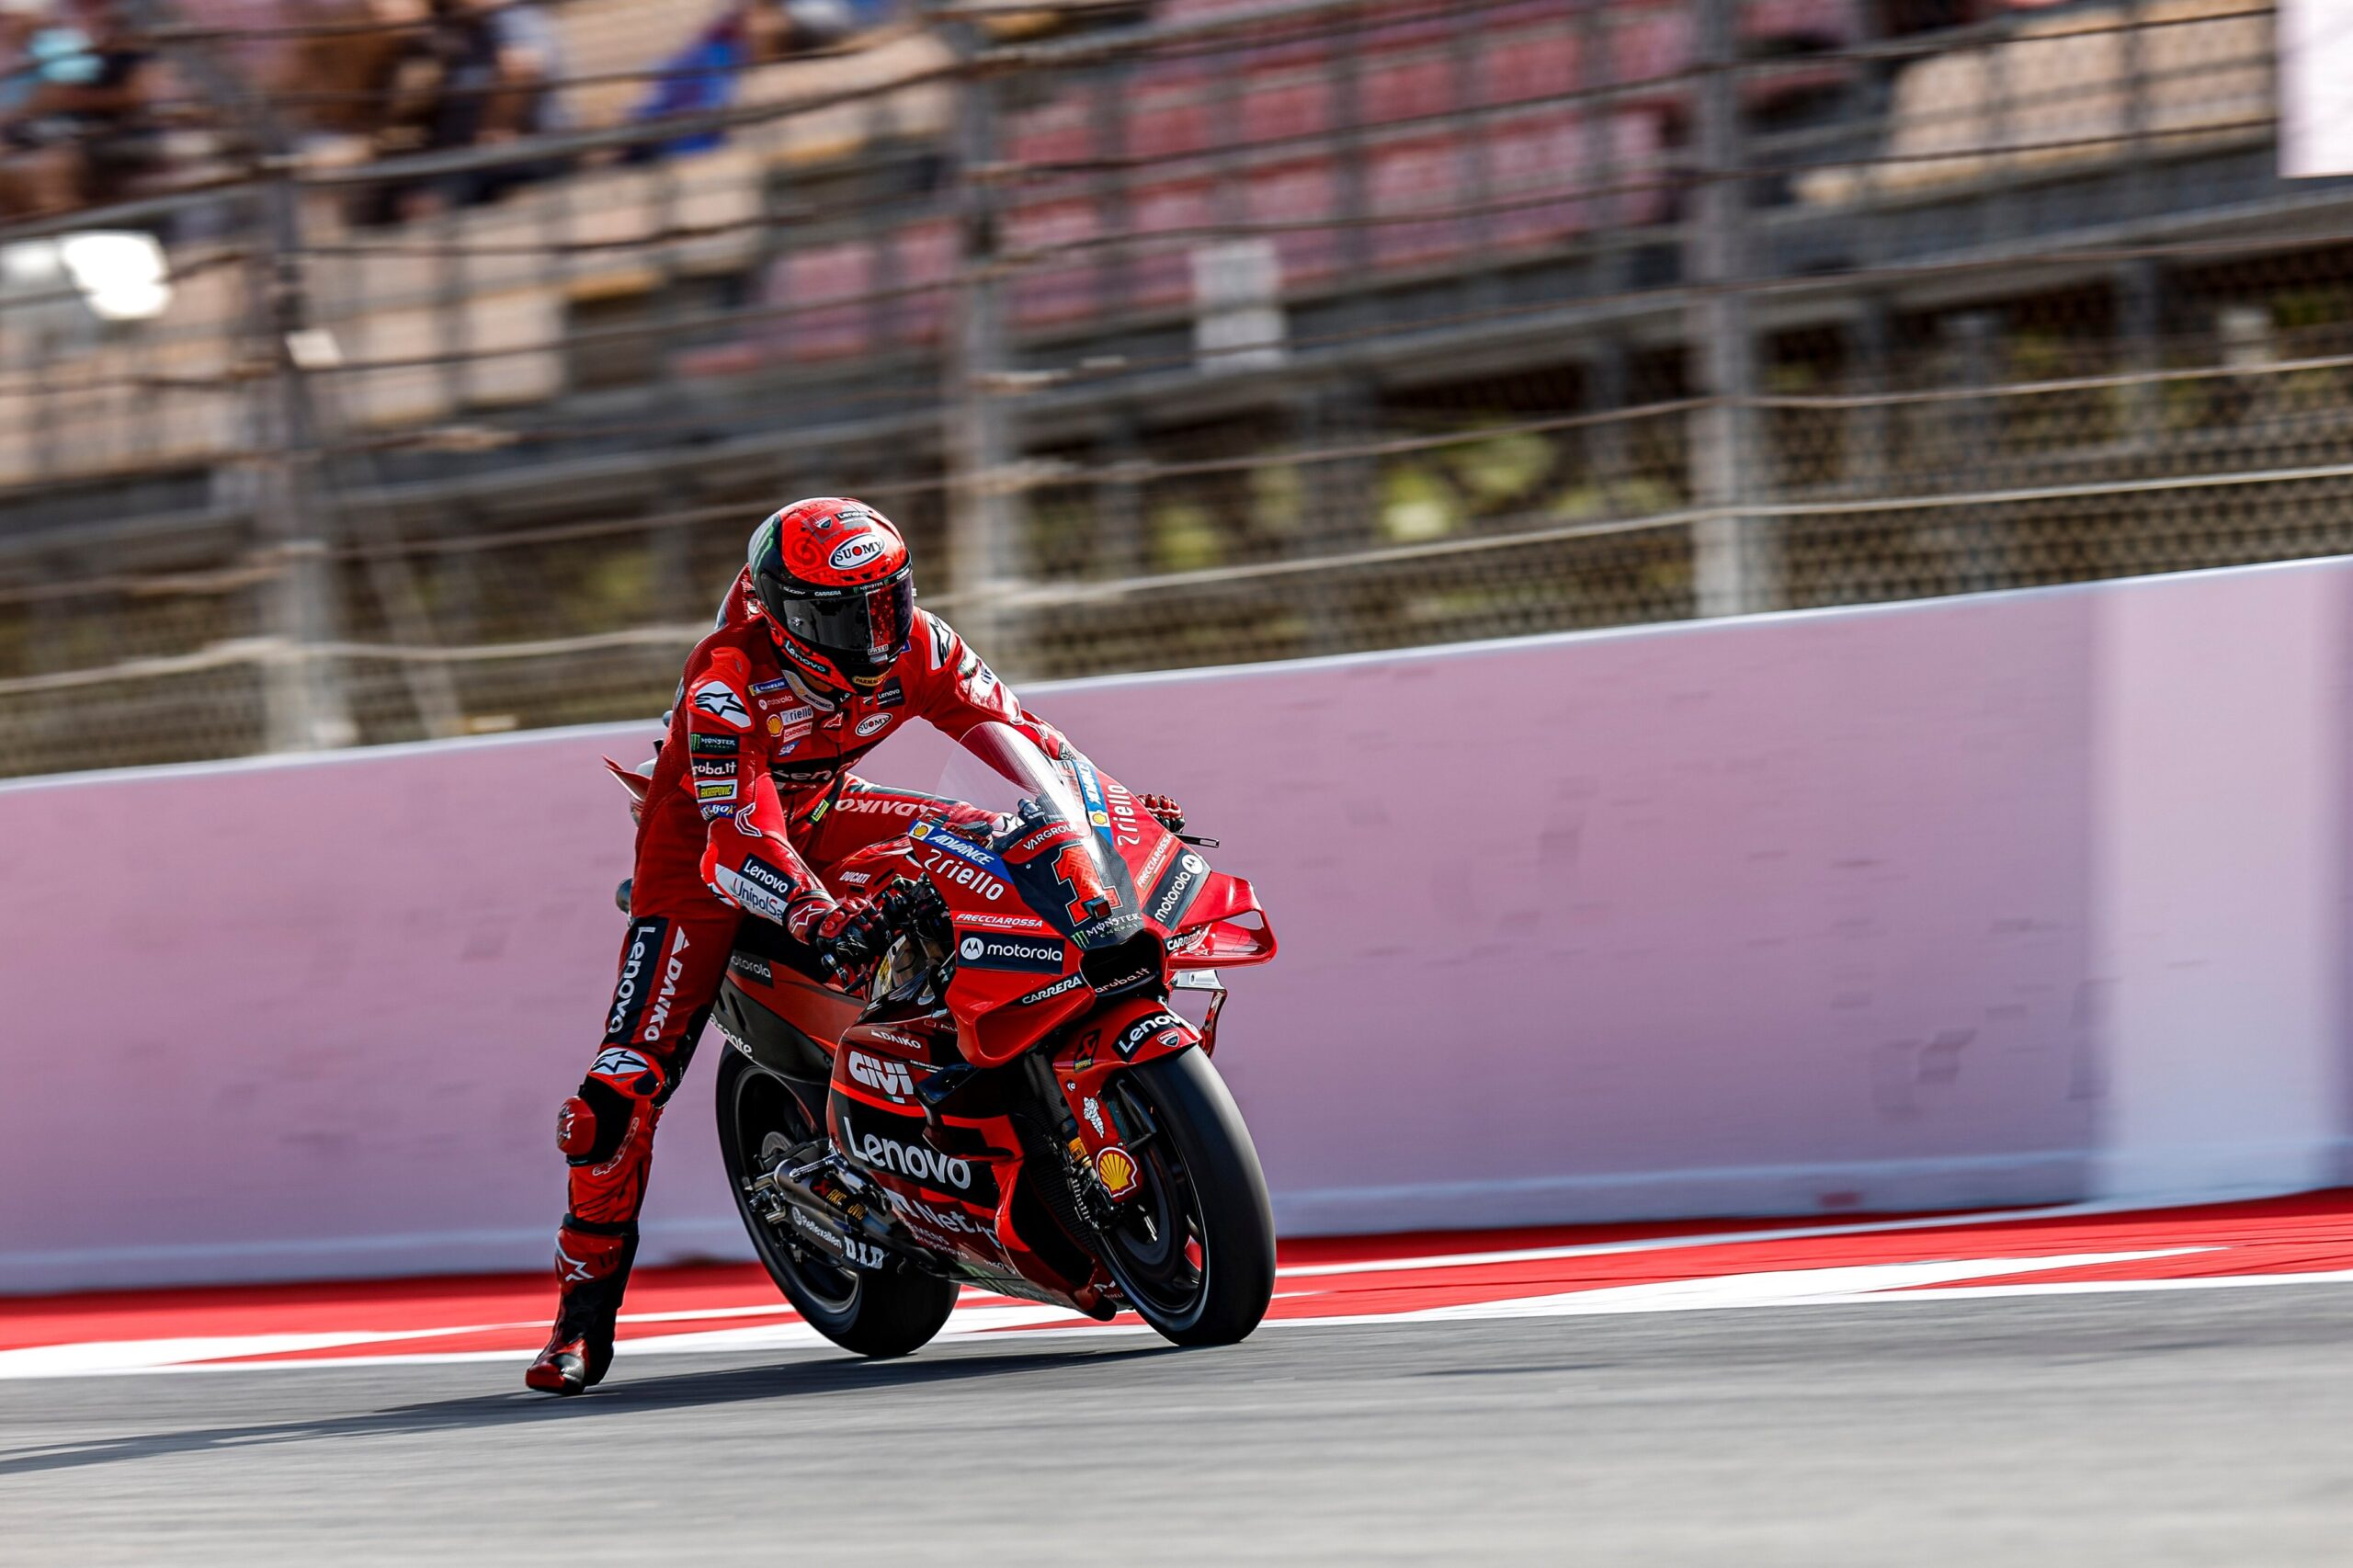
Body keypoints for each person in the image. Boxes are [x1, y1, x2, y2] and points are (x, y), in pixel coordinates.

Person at [527, 497, 1183, 1395]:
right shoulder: (727, 682)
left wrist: (1115, 816)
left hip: (829, 812)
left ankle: (973, 1080)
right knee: (616, 1091)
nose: (877, 632)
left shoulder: (924, 642)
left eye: (890, 599)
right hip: (701, 865)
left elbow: (1027, 742)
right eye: (847, 613)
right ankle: (579, 1320)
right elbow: (737, 839)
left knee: (1005, 839)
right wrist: (816, 915)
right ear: (786, 615)